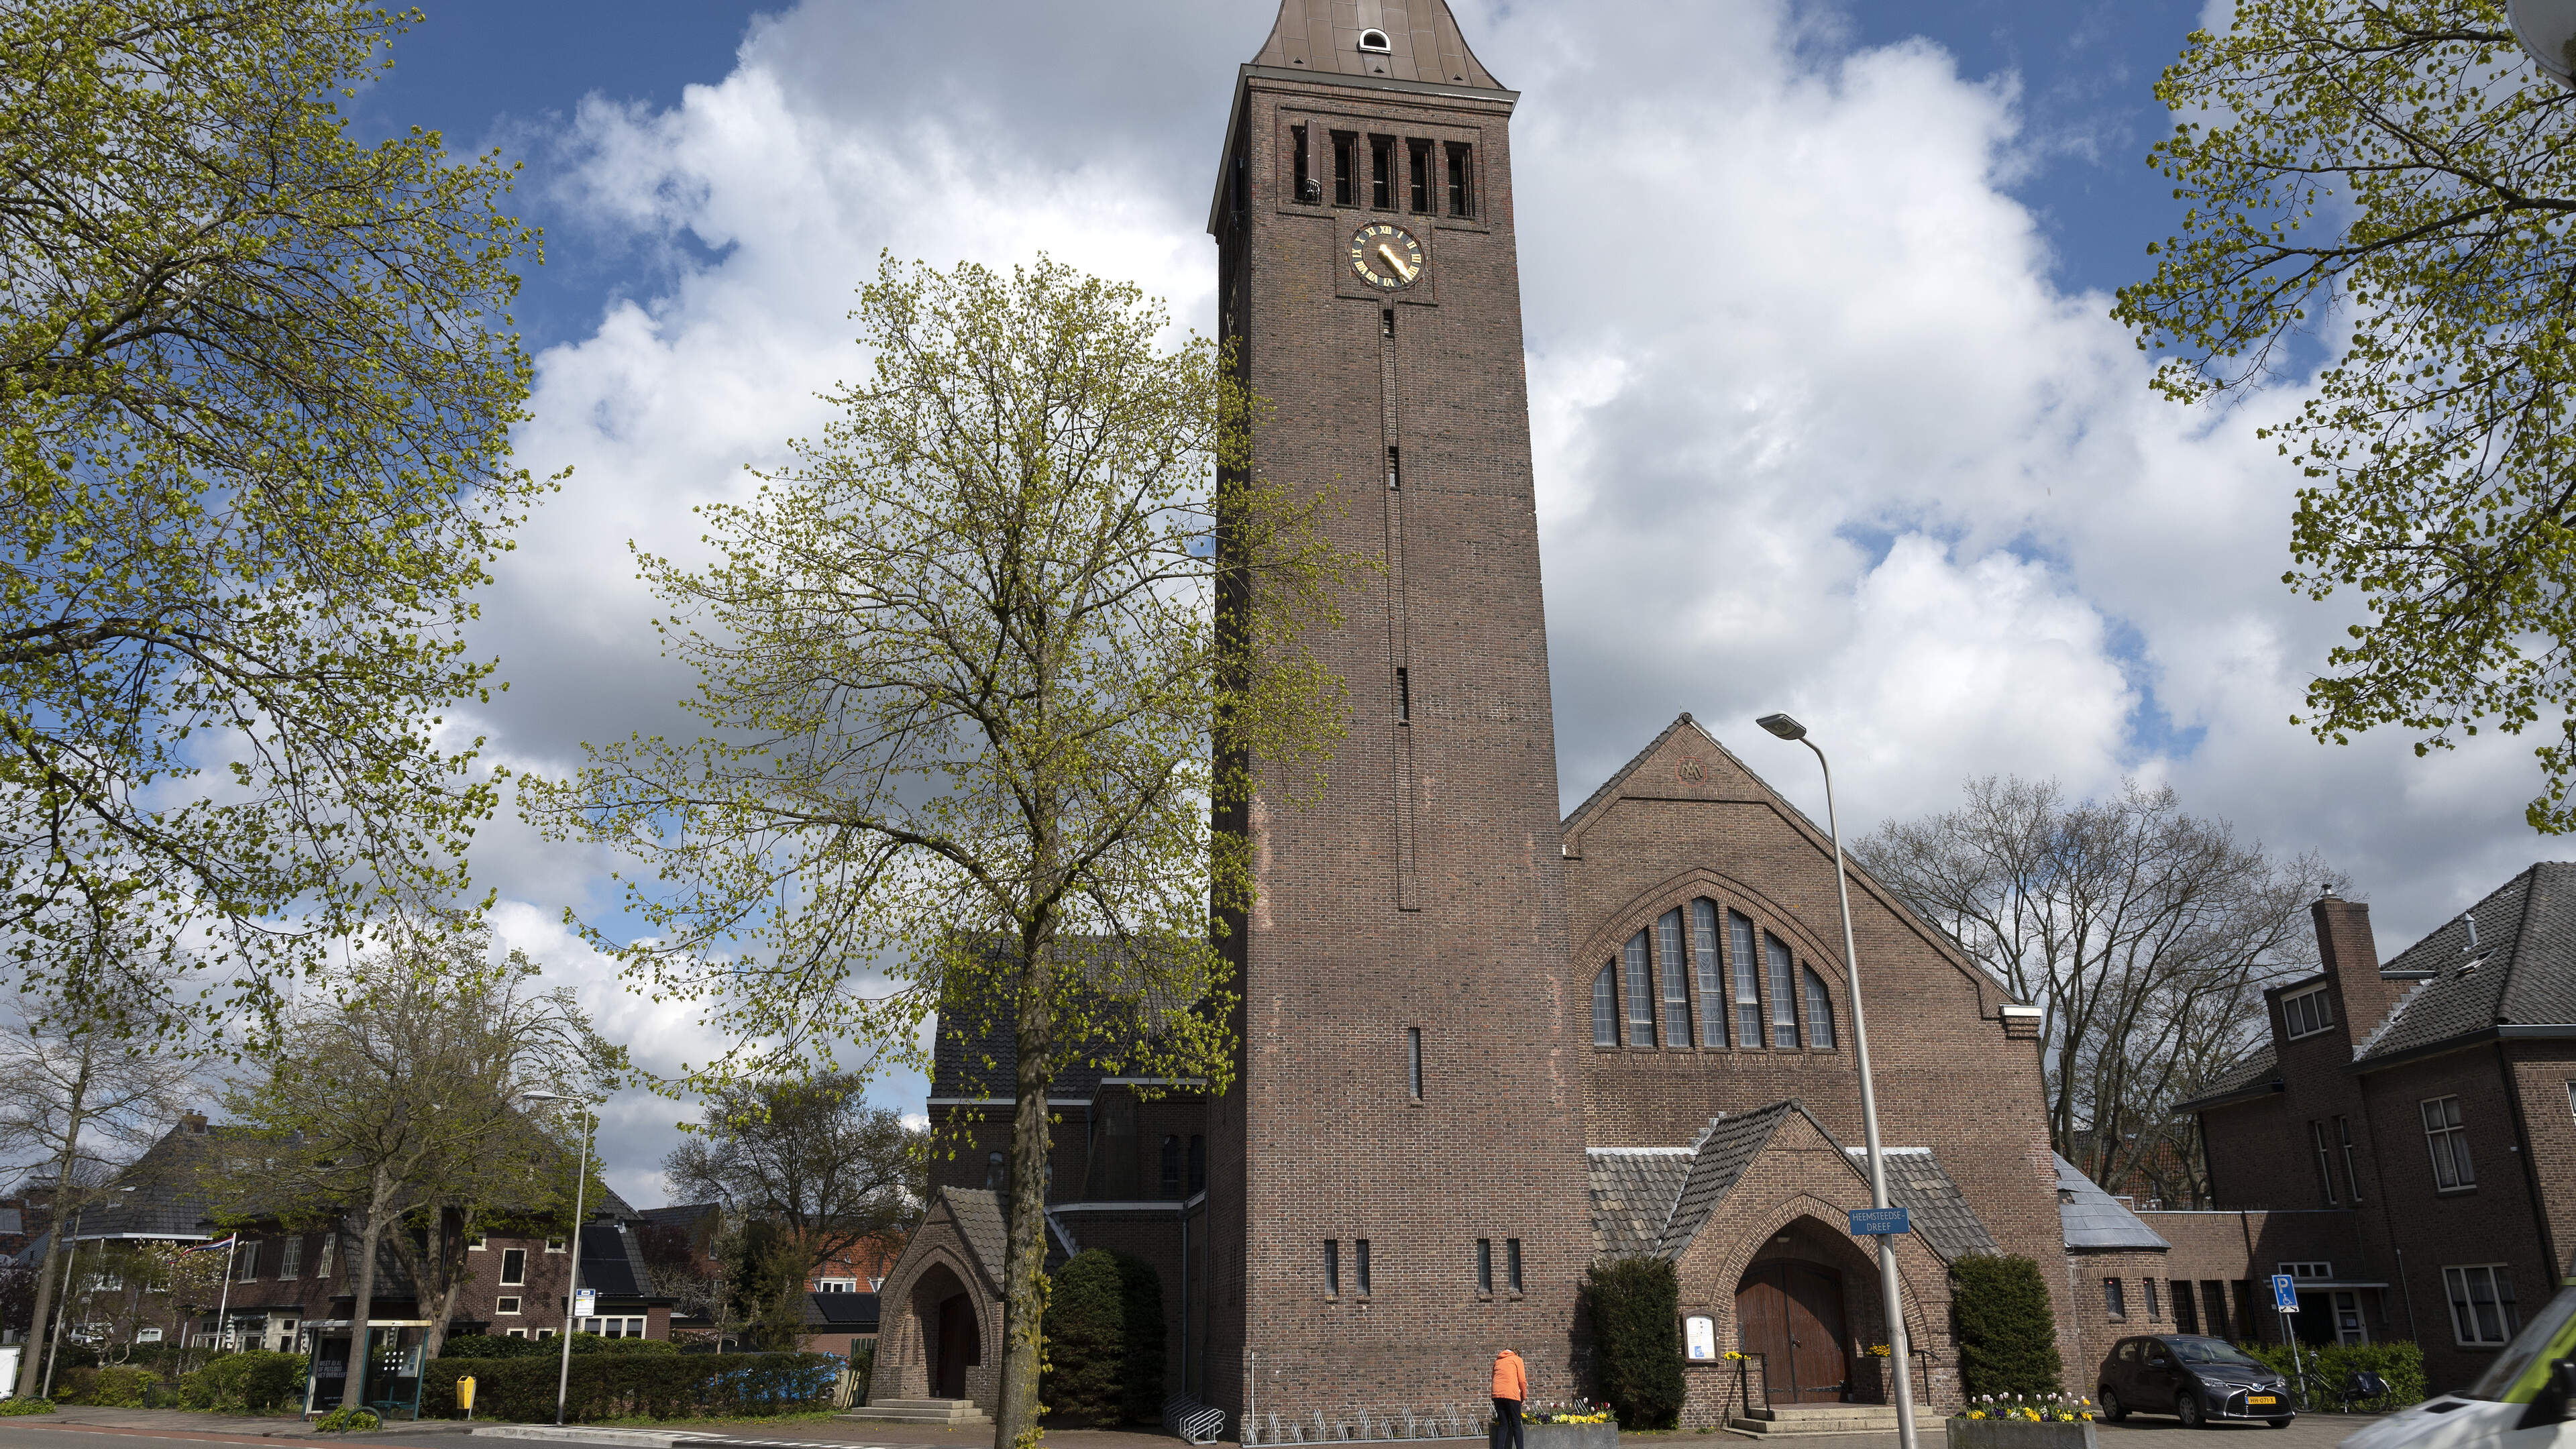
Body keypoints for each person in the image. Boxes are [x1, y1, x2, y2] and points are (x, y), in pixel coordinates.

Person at [1491, 1346, 1527, 1449]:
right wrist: (1523, 1397)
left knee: (1503, 1425)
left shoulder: (1497, 1362)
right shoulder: (1517, 1360)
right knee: (1517, 1424)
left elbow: (1494, 1378)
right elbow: (1522, 1381)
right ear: (1516, 1353)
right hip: (1512, 1394)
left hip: (1497, 1395)